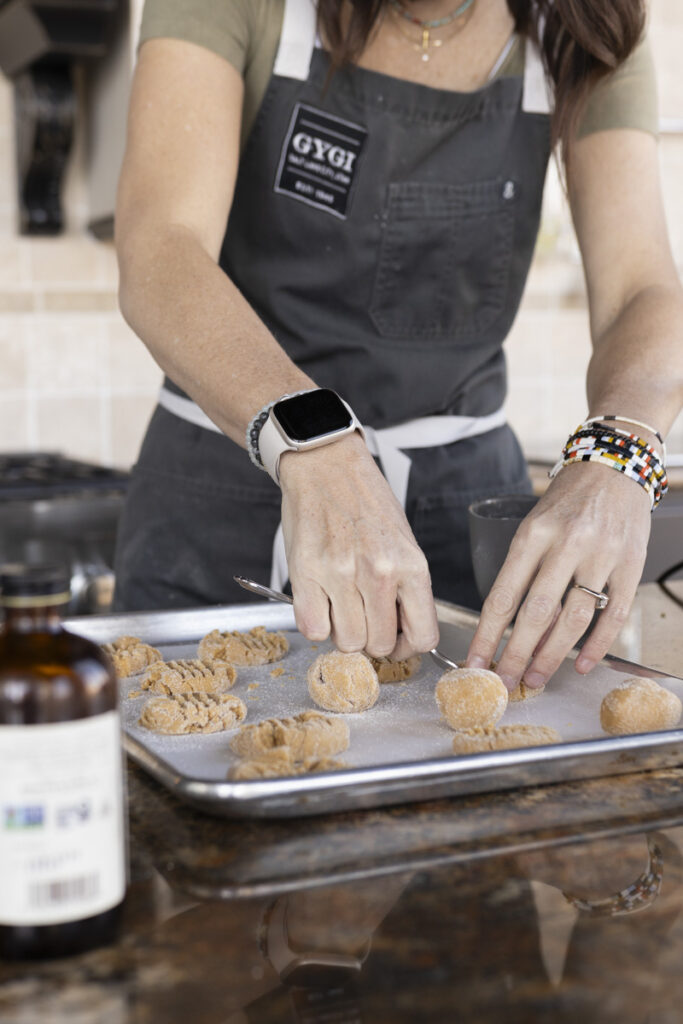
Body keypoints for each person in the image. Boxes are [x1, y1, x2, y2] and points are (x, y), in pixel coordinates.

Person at [113, 0, 683, 695]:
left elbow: (639, 292)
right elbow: (161, 251)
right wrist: (314, 443)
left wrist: (619, 453)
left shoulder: (584, 22)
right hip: (221, 500)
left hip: (459, 522)